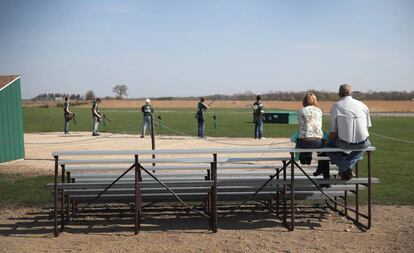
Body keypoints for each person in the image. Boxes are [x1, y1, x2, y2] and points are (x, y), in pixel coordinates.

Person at [327, 84, 372, 180]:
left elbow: (332, 133)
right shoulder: (363, 105)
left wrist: (328, 140)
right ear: (351, 93)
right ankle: (346, 170)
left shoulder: (336, 106)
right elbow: (367, 127)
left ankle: (345, 168)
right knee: (366, 145)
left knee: (327, 147)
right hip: (363, 143)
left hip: (344, 144)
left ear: (339, 94)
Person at [296, 92, 330, 181]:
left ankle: (306, 157)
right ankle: (326, 177)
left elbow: (300, 126)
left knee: (301, 138)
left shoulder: (301, 111)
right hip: (318, 141)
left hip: (304, 141)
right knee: (324, 154)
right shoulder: (319, 111)